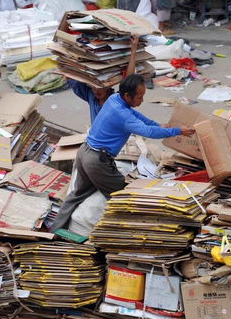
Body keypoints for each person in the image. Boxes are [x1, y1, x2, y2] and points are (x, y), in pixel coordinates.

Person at [50, 74, 195, 232]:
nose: (142, 100)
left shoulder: (114, 99)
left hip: (83, 153)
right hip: (97, 161)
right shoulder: (123, 115)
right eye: (140, 96)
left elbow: (140, 118)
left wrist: (161, 126)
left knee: (77, 194)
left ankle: (54, 231)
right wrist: (178, 131)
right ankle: (122, 235)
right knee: (123, 197)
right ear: (127, 95)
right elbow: (148, 131)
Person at [67, 35, 140, 125]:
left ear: (109, 84)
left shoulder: (116, 101)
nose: (96, 91)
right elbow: (69, 74)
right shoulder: (91, 97)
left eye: (100, 86)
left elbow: (129, 80)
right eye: (93, 87)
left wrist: (133, 51)